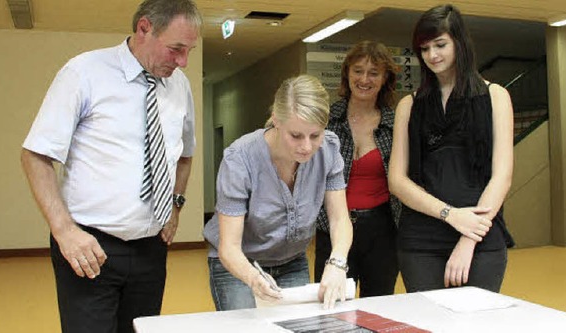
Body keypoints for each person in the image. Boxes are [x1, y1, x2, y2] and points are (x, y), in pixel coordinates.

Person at [20, 0, 201, 331]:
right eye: (176, 49)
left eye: (189, 50)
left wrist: (175, 205)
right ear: (144, 28)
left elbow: (184, 155)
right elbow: (36, 155)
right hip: (88, 246)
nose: (183, 62)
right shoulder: (84, 73)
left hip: (151, 248)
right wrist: (64, 231)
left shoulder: (180, 86)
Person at [388, 4, 515, 293]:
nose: (432, 55)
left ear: (460, 42)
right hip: (421, 241)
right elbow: (397, 180)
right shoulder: (408, 105)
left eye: (441, 45)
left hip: (481, 237)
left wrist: (468, 236)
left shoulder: (496, 96)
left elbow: (502, 176)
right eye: (424, 48)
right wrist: (451, 215)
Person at [203, 74, 353, 311]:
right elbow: (229, 247)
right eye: (296, 135)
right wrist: (254, 278)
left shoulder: (330, 149)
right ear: (276, 121)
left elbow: (339, 219)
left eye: (315, 135)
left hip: (292, 261)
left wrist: (337, 263)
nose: (306, 146)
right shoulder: (240, 159)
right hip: (239, 264)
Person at [313, 41, 401, 297]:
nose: (364, 79)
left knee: (379, 303)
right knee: (331, 302)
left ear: (385, 78)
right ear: (347, 73)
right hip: (333, 226)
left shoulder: (394, 123)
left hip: (382, 230)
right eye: (358, 70)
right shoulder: (326, 119)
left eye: (374, 73)